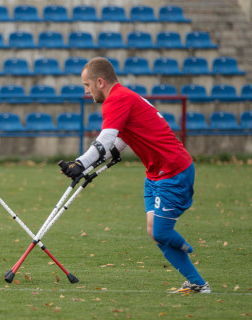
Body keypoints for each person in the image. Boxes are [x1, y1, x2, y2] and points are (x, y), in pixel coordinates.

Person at [60, 57, 210, 294]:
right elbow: (119, 140)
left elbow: (106, 139)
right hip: (154, 173)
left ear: (100, 82)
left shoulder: (116, 99)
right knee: (153, 230)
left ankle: (184, 248)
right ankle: (197, 284)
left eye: (86, 84)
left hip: (173, 171)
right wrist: (89, 166)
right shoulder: (122, 96)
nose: (86, 90)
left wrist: (80, 163)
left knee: (161, 232)